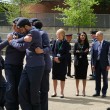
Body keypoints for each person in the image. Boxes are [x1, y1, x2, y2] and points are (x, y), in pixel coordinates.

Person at [8, 18, 45, 110]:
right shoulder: (27, 33)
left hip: (37, 66)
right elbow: (22, 38)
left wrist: (11, 41)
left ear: (26, 26)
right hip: (28, 66)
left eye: (21, 29)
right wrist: (21, 38)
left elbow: (22, 47)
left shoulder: (34, 32)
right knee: (21, 89)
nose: (20, 31)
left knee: (34, 93)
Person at [29, 18, 52, 110]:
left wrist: (41, 50)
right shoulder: (29, 34)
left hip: (44, 65)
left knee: (43, 90)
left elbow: (48, 48)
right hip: (35, 66)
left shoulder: (42, 33)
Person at [51, 28, 69, 98]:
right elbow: (52, 51)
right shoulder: (55, 41)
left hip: (62, 63)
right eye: (57, 34)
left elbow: (66, 54)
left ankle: (62, 92)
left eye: (58, 34)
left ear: (62, 35)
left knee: (62, 78)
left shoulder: (66, 43)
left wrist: (59, 58)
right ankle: (54, 92)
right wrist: (54, 57)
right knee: (54, 77)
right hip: (55, 62)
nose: (57, 35)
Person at [92, 31, 110, 98]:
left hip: (105, 64)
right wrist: (93, 64)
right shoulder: (95, 44)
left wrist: (108, 64)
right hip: (97, 64)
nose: (95, 37)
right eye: (95, 36)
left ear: (101, 36)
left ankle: (104, 92)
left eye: (97, 36)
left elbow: (109, 55)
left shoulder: (107, 44)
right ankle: (97, 92)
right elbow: (93, 55)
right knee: (97, 79)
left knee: (105, 79)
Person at [73, 32, 89, 96]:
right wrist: (82, 52)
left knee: (84, 77)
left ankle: (83, 90)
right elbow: (74, 52)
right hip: (77, 62)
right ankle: (77, 90)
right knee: (77, 77)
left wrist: (79, 52)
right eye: (82, 35)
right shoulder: (76, 43)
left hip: (84, 62)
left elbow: (87, 53)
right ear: (79, 36)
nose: (83, 36)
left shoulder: (86, 44)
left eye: (84, 36)